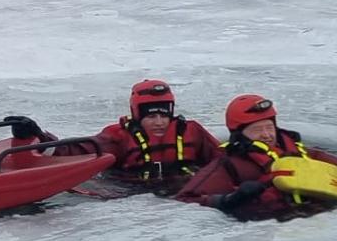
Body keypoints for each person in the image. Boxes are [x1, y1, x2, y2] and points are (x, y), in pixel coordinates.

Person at [176, 94, 337, 221]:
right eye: (257, 130)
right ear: (239, 134)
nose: (266, 135)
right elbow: (187, 200)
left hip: (319, 219)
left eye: (269, 127)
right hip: (269, 227)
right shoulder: (227, 164)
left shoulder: (297, 151)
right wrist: (230, 200)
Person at [48, 79, 222, 191]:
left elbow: (223, 159)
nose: (159, 122)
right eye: (152, 116)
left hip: (182, 191)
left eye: (164, 116)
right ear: (138, 116)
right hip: (131, 195)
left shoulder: (192, 131)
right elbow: (81, 149)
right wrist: (43, 140)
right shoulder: (119, 136)